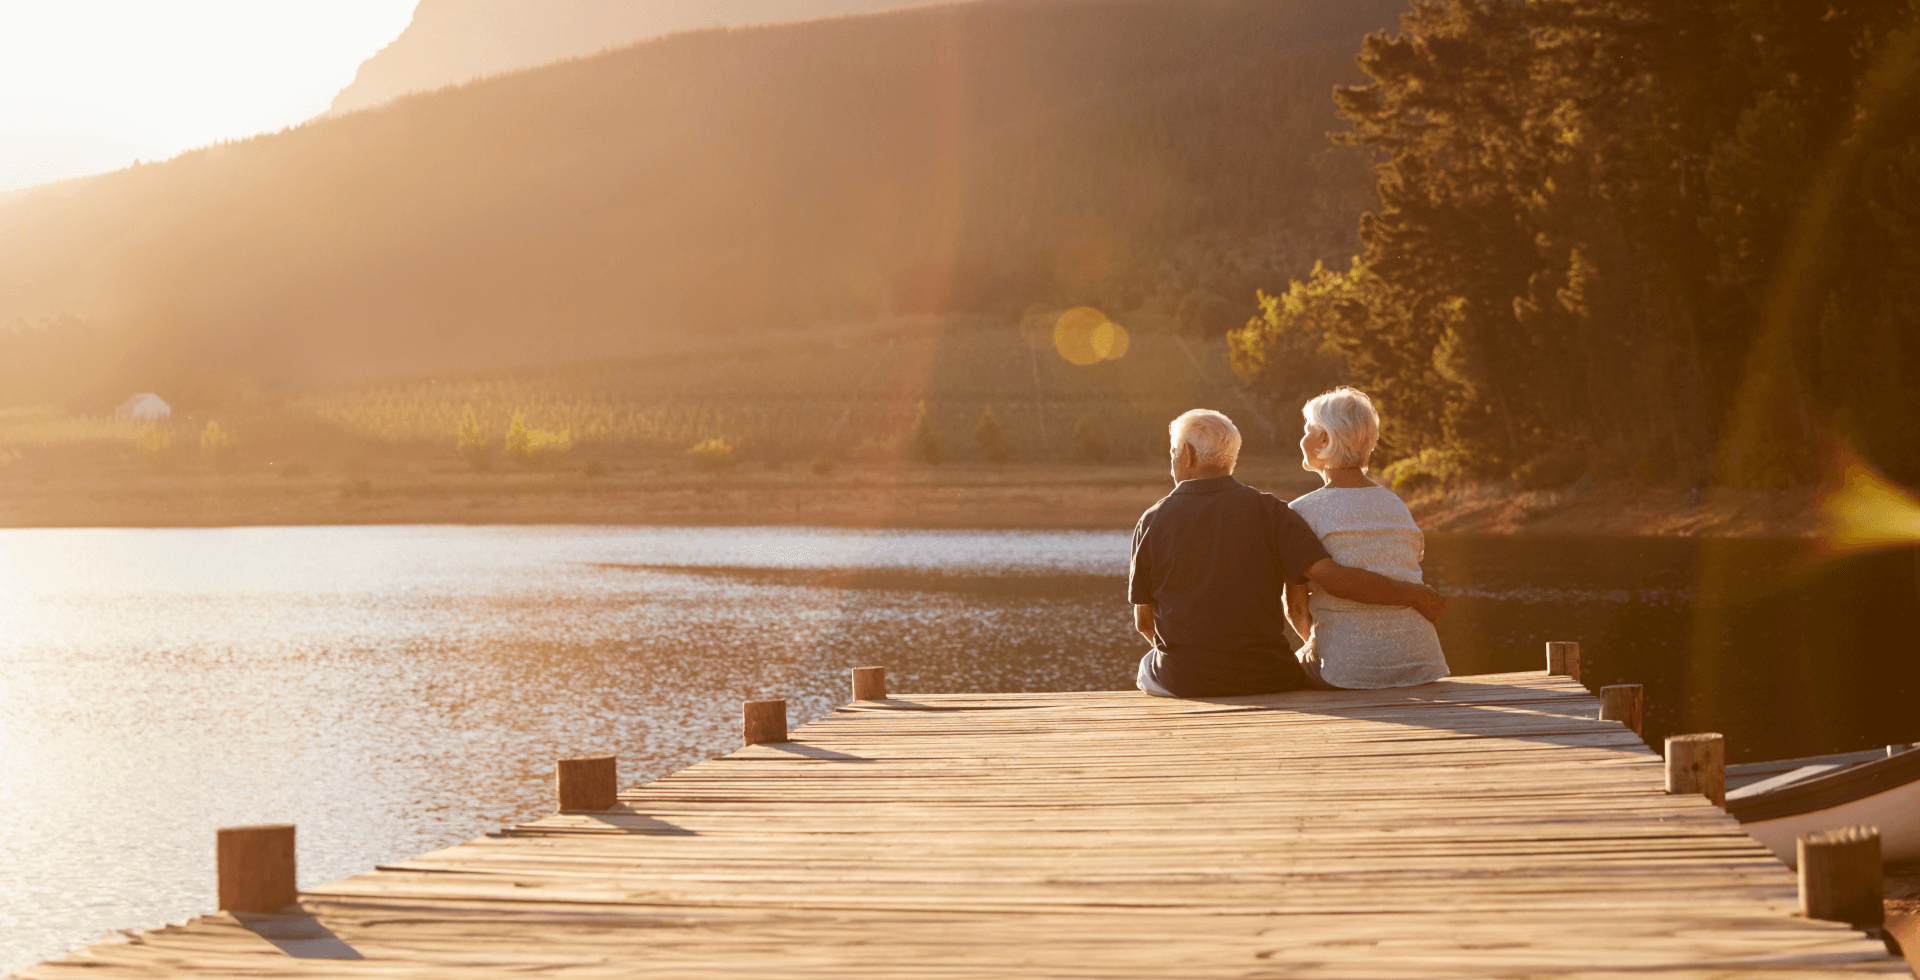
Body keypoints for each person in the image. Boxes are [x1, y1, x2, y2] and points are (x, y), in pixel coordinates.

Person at [1131, 409, 1445, 698]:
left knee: (1147, 666)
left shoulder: (1151, 520)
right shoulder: (1273, 512)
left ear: (1186, 455)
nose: (1173, 461)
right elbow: (1332, 578)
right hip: (1268, 676)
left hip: (1184, 679)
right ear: (1230, 457)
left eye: (1173, 453)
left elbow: (1145, 624)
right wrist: (1414, 595)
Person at [1285, 387, 1450, 689]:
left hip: (1347, 671)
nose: (1303, 439)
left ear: (1324, 439)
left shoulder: (1300, 512)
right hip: (1421, 663)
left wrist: (1323, 647)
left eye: (1308, 430)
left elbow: (1296, 610)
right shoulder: (1396, 505)